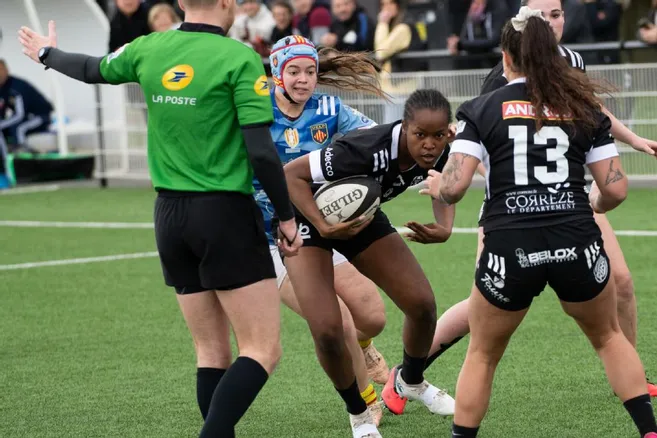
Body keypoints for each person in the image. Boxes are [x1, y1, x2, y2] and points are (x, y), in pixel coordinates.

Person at [18, 0, 303, 436]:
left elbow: (93, 68)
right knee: (263, 349)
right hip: (223, 212)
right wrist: (286, 217)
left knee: (211, 352)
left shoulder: (149, 47)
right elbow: (262, 152)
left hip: (169, 217)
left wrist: (46, 54)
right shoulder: (239, 57)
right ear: (227, 3)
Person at [382, 0, 657, 413]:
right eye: (541, 15)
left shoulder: (572, 60)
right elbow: (488, 145)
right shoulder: (504, 78)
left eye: (557, 14)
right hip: (509, 205)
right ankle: (407, 374)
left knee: (620, 281)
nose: (550, 22)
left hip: (568, 199)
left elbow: (591, 109)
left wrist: (633, 140)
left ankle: (627, 373)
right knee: (482, 307)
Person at [283, 88, 457, 437]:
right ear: (404, 127)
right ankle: (359, 414)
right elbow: (290, 175)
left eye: (438, 136)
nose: (429, 144)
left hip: (361, 219)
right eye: (420, 135)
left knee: (422, 305)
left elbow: (445, 182)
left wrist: (445, 227)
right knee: (329, 330)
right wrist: (322, 223)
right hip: (310, 222)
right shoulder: (366, 147)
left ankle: (410, 381)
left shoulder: (439, 151)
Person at [256, 36, 391, 423]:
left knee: (372, 317)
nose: (303, 79)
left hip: (318, 227)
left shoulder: (329, 109)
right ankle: (364, 401)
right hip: (272, 241)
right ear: (277, 73)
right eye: (294, 71)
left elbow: (375, 139)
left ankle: (364, 349)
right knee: (340, 323)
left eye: (311, 71)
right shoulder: (255, 112)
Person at [0, 59, 53, 153]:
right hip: (26, 117)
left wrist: (2, 124)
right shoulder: (2, 88)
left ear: (6, 70)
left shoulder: (16, 87)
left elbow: (20, 115)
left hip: (40, 116)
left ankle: (21, 156)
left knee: (18, 128)